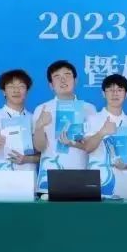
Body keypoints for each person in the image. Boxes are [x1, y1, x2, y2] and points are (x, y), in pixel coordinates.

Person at [32, 60, 97, 194]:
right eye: (57, 76)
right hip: (50, 174)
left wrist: (73, 143)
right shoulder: (42, 109)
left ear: (75, 80)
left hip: (81, 172)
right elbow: (39, 147)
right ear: (51, 85)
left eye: (67, 75)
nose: (63, 80)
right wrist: (39, 127)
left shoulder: (89, 109)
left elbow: (92, 145)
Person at [82, 74, 127, 196]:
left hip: (123, 181)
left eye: (119, 90)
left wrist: (125, 164)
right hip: (98, 180)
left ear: (126, 94)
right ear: (104, 93)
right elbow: (87, 147)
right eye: (111, 90)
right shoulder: (93, 119)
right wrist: (102, 132)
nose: (115, 94)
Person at [0, 69, 39, 183]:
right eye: (11, 86)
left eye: (21, 86)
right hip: (2, 179)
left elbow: (43, 155)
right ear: (3, 91)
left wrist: (27, 159)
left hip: (29, 179)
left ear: (27, 91)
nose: (16, 90)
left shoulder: (34, 119)